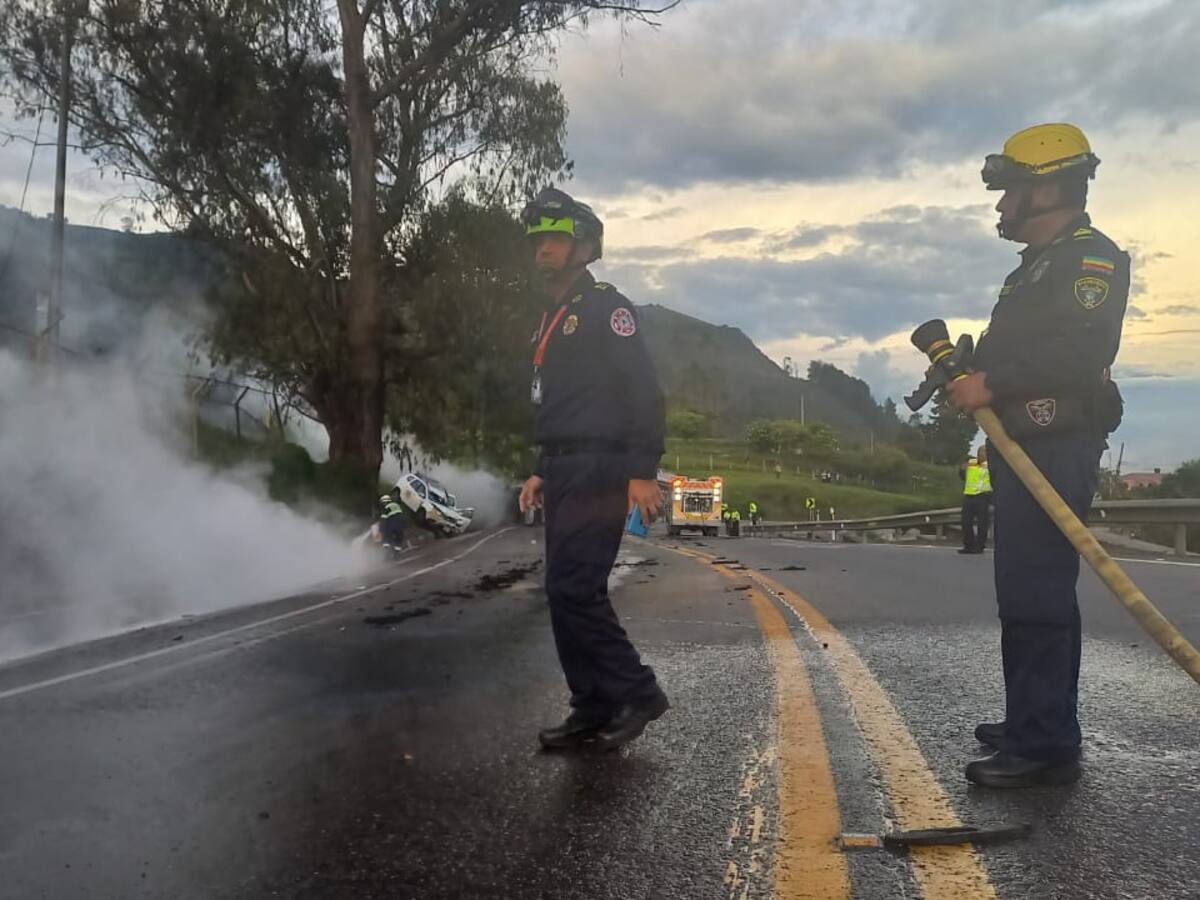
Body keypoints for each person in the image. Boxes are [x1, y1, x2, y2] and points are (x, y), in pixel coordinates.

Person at [947, 123, 1128, 788]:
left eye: (1011, 191)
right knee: (1028, 586)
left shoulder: (1090, 259)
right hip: (1024, 441)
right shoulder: (1035, 267)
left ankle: (1045, 742)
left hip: (1056, 442)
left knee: (1036, 587)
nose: (1002, 206)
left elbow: (1081, 353)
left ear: (1048, 189)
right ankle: (1036, 716)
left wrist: (990, 384)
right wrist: (977, 369)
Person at [516, 187, 670, 751]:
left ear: (584, 247)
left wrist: (642, 471)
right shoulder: (550, 316)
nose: (544, 248)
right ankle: (591, 704)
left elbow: (643, 392)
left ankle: (639, 692)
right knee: (561, 590)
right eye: (538, 239)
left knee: (577, 587)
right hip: (563, 466)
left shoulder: (608, 308)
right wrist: (541, 468)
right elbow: (559, 401)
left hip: (600, 465)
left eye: (557, 239)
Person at [958, 446, 992, 554]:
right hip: (969, 496)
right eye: (979, 452)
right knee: (966, 523)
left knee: (982, 524)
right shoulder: (971, 462)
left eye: (983, 452)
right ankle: (968, 545)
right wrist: (962, 470)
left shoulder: (991, 465)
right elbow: (963, 476)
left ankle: (979, 547)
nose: (981, 454)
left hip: (983, 496)